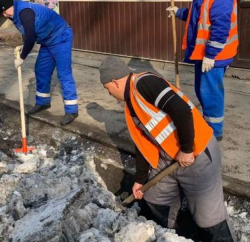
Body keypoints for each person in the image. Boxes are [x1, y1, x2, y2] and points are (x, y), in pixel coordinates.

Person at [99, 56, 235, 242]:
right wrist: (140, 180)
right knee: (154, 200)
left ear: (114, 82)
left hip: (196, 154)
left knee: (209, 219)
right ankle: (175, 236)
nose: (109, 94)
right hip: (168, 158)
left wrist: (187, 149)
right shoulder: (130, 103)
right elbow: (143, 145)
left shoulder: (145, 83)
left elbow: (181, 110)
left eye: (107, 89)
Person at [166, 0, 239, 141]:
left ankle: (214, 132)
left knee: (211, 93)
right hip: (203, 54)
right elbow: (197, 15)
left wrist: (211, 55)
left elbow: (221, 26)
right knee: (202, 90)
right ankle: (208, 124)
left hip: (214, 56)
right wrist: (179, 12)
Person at [0, 0, 78, 126]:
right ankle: (43, 102)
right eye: (3, 13)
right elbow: (27, 33)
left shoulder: (25, 12)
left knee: (63, 73)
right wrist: (24, 44)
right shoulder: (15, 13)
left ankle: (72, 110)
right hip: (47, 40)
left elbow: (31, 37)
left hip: (60, 37)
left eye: (6, 11)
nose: (6, 15)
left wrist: (22, 57)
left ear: (11, 5)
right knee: (41, 70)